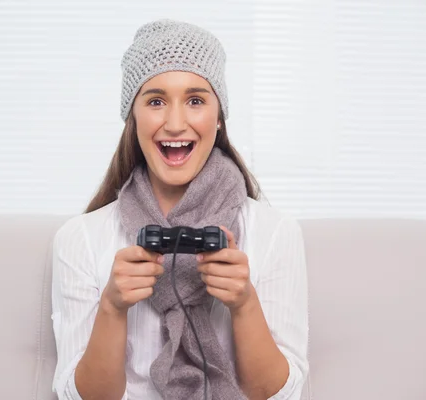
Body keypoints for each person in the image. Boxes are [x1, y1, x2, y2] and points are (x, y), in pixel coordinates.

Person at [51, 19, 309, 400]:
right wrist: (112, 307)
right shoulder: (80, 239)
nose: (175, 123)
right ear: (133, 119)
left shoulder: (275, 233)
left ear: (219, 118)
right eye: (156, 101)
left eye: (196, 100)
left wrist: (244, 305)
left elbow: (280, 395)